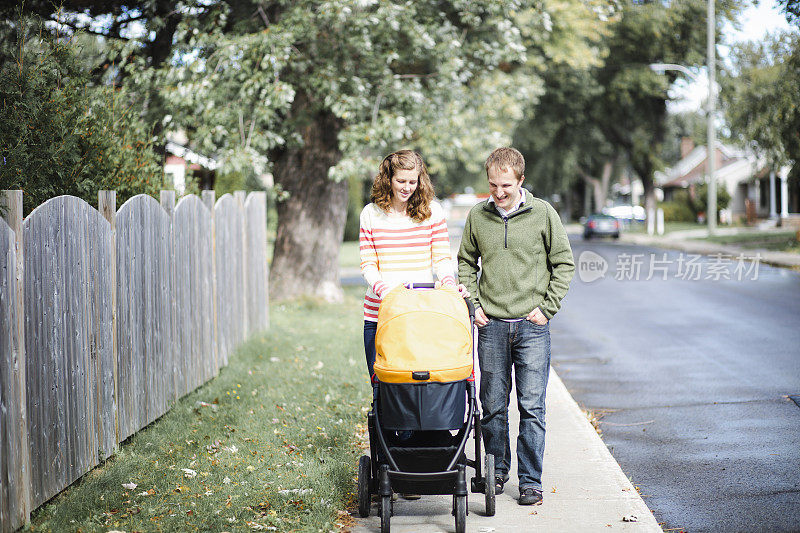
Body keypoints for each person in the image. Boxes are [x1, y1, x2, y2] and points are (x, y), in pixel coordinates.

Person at [457, 147, 574, 506]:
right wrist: (473, 305)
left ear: (521, 180)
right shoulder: (478, 216)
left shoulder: (543, 214)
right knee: (492, 406)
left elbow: (564, 263)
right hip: (491, 325)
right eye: (492, 185)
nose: (499, 192)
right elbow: (464, 263)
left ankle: (530, 482)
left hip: (531, 327)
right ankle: (496, 471)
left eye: (506, 185)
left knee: (532, 407)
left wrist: (547, 307)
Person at [359, 149, 466, 380]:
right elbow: (368, 264)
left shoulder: (432, 212)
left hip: (420, 312)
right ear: (388, 179)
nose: (407, 187)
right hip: (380, 313)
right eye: (400, 181)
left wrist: (448, 284)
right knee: (382, 383)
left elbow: (441, 259)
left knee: (416, 383)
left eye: (412, 181)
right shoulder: (371, 214)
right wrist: (387, 292)